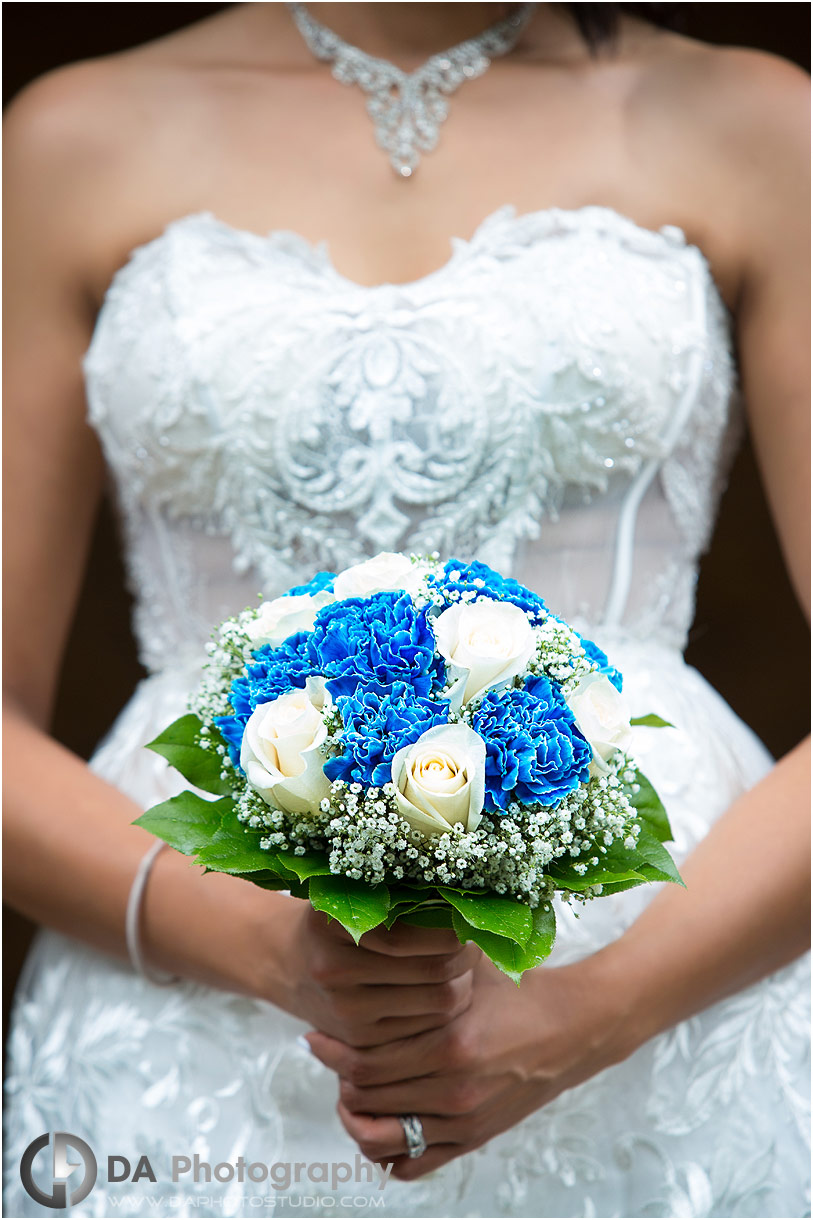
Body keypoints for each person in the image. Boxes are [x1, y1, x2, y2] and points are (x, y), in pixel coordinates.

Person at [3, 3, 809, 1216]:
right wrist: (275, 949)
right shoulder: (71, 139)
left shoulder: (758, 123)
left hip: (667, 1008)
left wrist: (585, 1011)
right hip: (187, 1017)